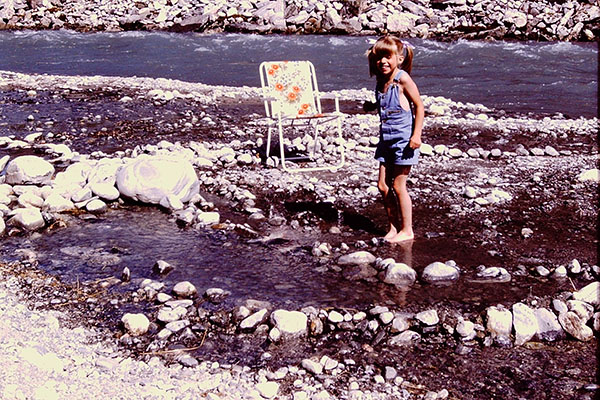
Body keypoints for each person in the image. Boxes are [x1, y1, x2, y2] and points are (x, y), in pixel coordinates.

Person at [364, 35, 424, 243]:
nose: (383, 61)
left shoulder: (402, 79)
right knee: (382, 185)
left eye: (388, 57)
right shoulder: (381, 81)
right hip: (386, 140)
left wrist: (416, 135)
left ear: (399, 59)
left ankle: (407, 230)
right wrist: (372, 106)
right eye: (379, 57)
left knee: (398, 186)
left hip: (403, 141)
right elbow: (387, 103)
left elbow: (419, 106)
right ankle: (393, 227)